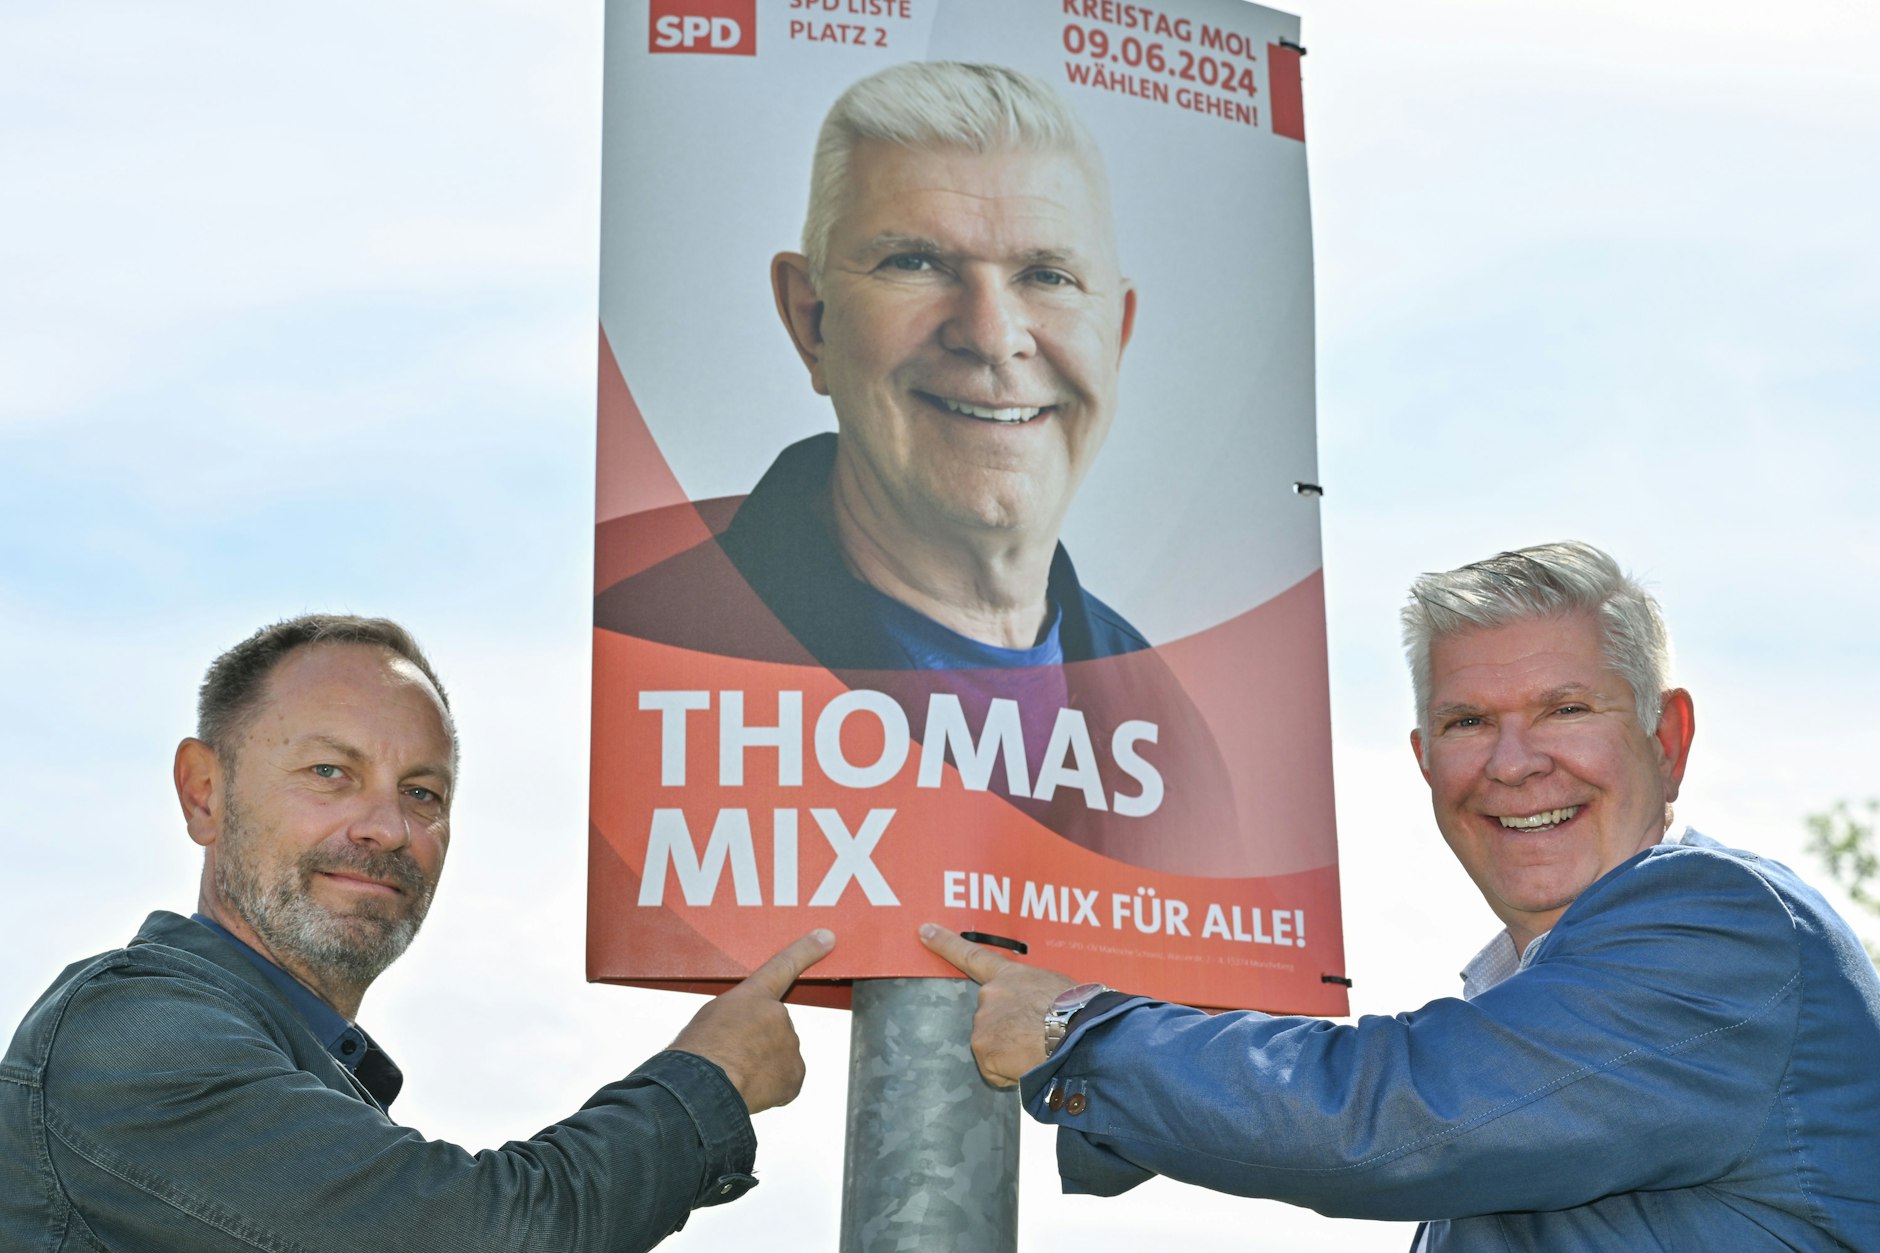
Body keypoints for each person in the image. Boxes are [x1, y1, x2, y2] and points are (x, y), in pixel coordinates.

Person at [924, 541, 1880, 1249]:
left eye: (1567, 708)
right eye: (1468, 721)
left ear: (1667, 739)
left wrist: (1078, 1030)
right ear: (1426, 762)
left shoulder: (1726, 925)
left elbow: (1392, 1116)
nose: (1513, 763)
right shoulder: (1537, 1003)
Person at [0, 615, 833, 1252]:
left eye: (424, 792)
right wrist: (709, 1082)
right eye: (331, 772)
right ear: (204, 793)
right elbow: (486, 1230)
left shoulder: (312, 1074)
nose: (388, 827)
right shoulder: (132, 1037)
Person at [596, 62, 1242, 874]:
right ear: (812, 318)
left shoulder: (1173, 731)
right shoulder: (659, 655)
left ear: (1118, 332)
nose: (991, 332)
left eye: (1047, 275)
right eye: (916, 263)